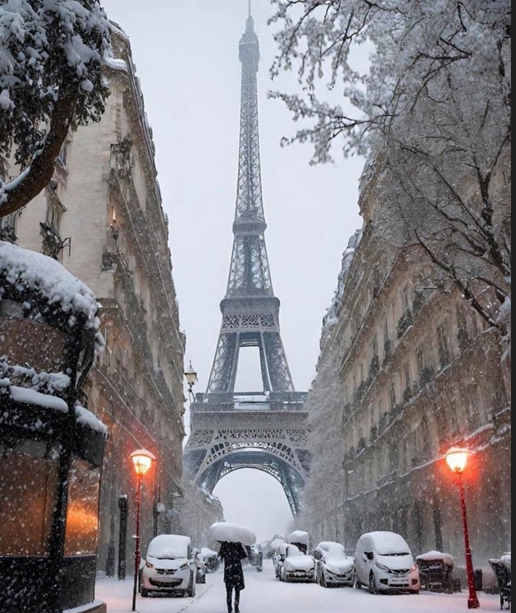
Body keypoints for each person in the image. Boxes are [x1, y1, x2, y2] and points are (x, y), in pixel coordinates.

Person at [219, 541, 248, 613]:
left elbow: (220, 555)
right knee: (237, 590)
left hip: (228, 570)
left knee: (229, 590)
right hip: (237, 570)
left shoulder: (224, 544)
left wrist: (227, 555)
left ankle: (229, 607)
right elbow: (244, 555)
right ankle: (236, 606)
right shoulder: (237, 543)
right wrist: (236, 556)